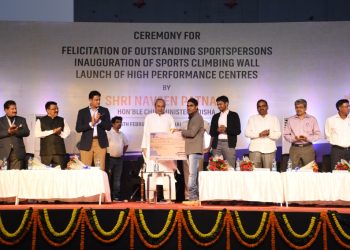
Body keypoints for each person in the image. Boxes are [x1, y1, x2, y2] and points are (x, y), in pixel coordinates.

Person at [141, 98, 177, 201]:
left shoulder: (169, 117)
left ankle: (169, 198)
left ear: (165, 107)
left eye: (162, 106)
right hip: (152, 149)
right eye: (158, 106)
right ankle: (150, 198)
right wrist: (144, 147)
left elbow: (173, 133)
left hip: (166, 150)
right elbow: (145, 133)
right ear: (155, 106)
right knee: (151, 173)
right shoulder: (149, 117)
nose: (160, 108)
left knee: (168, 174)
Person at [75, 90, 111, 170]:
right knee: (85, 169)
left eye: (99, 100)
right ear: (90, 100)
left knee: (100, 169)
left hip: (100, 143)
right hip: (86, 143)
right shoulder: (82, 112)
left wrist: (99, 121)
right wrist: (91, 124)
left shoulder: (104, 111)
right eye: (96, 100)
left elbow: (108, 127)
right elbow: (78, 128)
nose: (98, 102)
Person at [283, 99, 321, 168]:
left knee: (310, 171)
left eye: (301, 107)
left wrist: (307, 138)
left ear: (305, 108)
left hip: (308, 148)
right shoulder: (290, 119)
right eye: (296, 107)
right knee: (293, 171)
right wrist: (294, 139)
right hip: (294, 148)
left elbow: (318, 135)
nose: (298, 109)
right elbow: (286, 134)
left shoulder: (312, 119)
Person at [245, 99, 281, 169]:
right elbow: (247, 133)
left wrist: (269, 134)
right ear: (257, 108)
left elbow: (278, 134)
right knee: (255, 174)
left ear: (267, 107)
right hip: (255, 150)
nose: (261, 108)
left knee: (269, 174)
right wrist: (259, 134)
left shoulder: (274, 118)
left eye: (263, 106)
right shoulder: (252, 118)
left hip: (269, 150)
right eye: (259, 106)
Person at [181, 98, 204, 203]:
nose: (188, 108)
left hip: (195, 151)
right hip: (192, 150)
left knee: (192, 175)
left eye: (191, 106)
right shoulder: (192, 117)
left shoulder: (197, 118)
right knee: (192, 174)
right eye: (187, 106)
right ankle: (194, 196)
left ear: (196, 107)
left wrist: (181, 131)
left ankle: (193, 197)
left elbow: (192, 133)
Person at [34, 101, 71, 168]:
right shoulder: (40, 121)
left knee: (60, 174)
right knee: (46, 174)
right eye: (54, 109)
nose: (56, 110)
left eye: (57, 108)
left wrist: (59, 133)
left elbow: (67, 134)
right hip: (46, 153)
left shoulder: (62, 120)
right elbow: (37, 134)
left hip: (59, 152)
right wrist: (52, 131)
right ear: (47, 110)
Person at [209, 95, 241, 168]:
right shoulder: (215, 116)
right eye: (217, 104)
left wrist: (225, 129)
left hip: (228, 144)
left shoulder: (234, 115)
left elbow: (238, 131)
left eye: (220, 104)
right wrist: (217, 130)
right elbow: (211, 132)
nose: (219, 106)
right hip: (217, 144)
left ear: (226, 103)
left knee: (230, 167)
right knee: (215, 167)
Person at [0, 100, 30, 169]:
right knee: (3, 176)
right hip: (3, 152)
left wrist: (16, 132)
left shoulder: (22, 119)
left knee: (15, 176)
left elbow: (27, 132)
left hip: (18, 152)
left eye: (15, 108)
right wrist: (8, 132)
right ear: (6, 110)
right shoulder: (0, 121)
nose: (15, 110)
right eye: (12, 109)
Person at [107, 116, 129, 201]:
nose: (119, 124)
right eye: (117, 122)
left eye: (120, 122)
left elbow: (126, 145)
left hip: (119, 159)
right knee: (108, 178)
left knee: (117, 179)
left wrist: (122, 153)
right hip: (110, 159)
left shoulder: (122, 134)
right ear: (112, 124)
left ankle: (115, 196)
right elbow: (104, 146)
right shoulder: (108, 133)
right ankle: (107, 196)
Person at [325, 99, 350, 169]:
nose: (349, 108)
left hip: (349, 150)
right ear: (340, 108)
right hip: (337, 151)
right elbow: (327, 135)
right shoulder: (330, 120)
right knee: (337, 172)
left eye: (349, 106)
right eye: (347, 106)